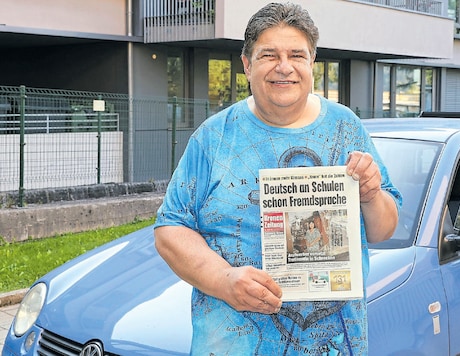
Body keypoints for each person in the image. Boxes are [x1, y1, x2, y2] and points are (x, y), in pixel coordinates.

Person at [153, 2, 401, 355]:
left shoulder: (347, 128)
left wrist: (372, 194)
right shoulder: (214, 138)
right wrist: (224, 281)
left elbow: (383, 229)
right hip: (232, 345)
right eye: (269, 54)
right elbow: (170, 229)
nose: (284, 67)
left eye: (296, 55)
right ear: (246, 64)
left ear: (311, 62)